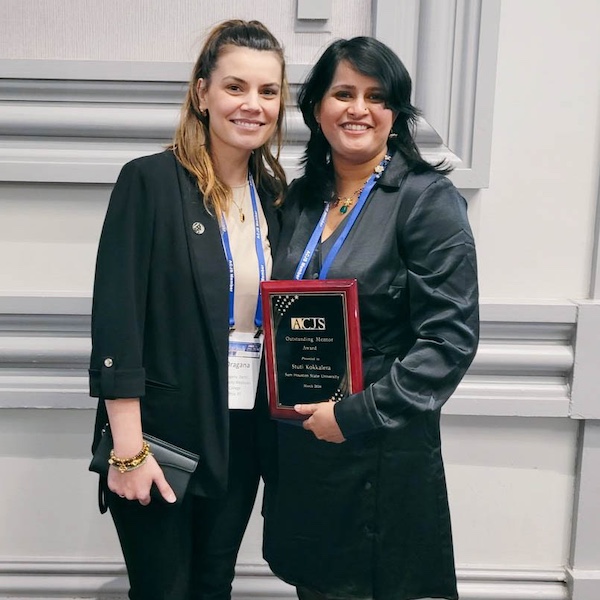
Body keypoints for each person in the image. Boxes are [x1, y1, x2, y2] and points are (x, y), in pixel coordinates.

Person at [263, 36, 479, 600]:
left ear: (395, 114)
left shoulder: (427, 201)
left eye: (377, 96)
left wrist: (355, 413)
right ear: (317, 108)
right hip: (305, 446)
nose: (359, 108)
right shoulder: (300, 201)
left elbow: (448, 343)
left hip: (381, 451)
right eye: (343, 93)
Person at [88, 19, 287, 600]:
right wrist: (129, 447)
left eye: (268, 92)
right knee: (163, 592)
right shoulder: (149, 182)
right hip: (162, 436)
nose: (252, 105)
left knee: (212, 586)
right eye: (235, 87)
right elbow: (117, 316)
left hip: (243, 429)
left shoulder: (275, 195)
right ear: (202, 93)